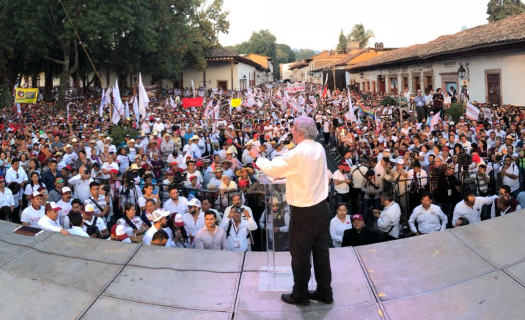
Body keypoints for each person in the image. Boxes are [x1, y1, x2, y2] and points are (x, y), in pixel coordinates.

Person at [255, 116, 333, 306]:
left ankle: (300, 294)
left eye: (293, 129)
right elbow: (302, 172)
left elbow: (273, 169)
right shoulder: (318, 148)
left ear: (300, 132)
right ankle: (325, 292)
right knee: (321, 253)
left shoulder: (298, 153)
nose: (291, 132)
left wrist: (258, 159)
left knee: (300, 255)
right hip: (322, 208)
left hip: (303, 212)